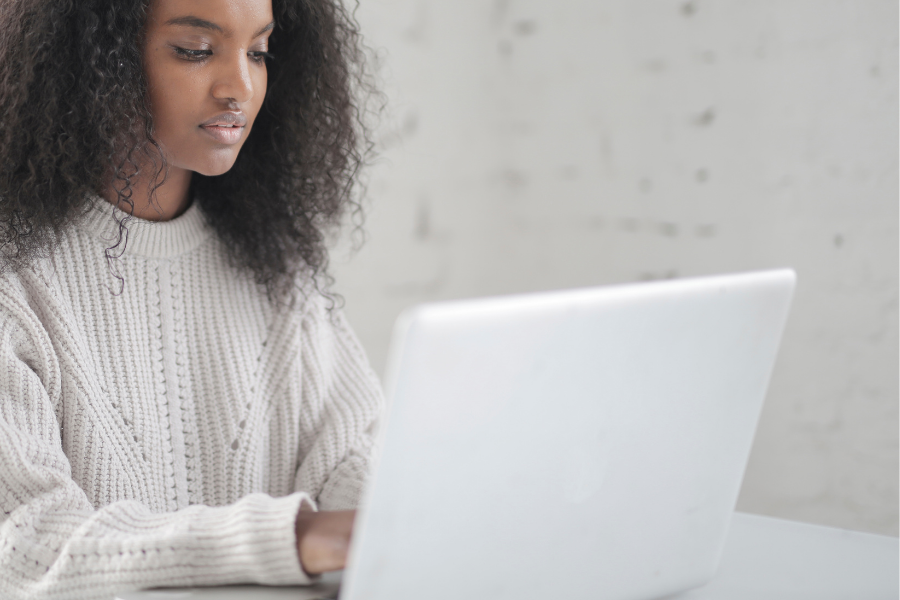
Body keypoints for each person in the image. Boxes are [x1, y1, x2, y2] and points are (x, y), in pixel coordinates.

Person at [0, 0, 383, 597]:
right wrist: (290, 537)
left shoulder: (277, 272)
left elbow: (355, 463)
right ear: (93, 58)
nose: (240, 86)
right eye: (196, 51)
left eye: (258, 51)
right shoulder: (14, 284)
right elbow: (26, 544)